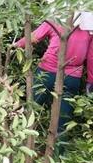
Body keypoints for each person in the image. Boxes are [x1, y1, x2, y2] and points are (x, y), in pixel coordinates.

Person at [14, 11, 93, 142]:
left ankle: (20, 144)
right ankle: (57, 156)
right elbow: (91, 57)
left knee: (32, 109)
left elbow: (34, 37)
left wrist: (15, 46)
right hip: (66, 75)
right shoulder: (89, 27)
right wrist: (91, 80)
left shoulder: (57, 19)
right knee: (63, 118)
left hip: (52, 73)